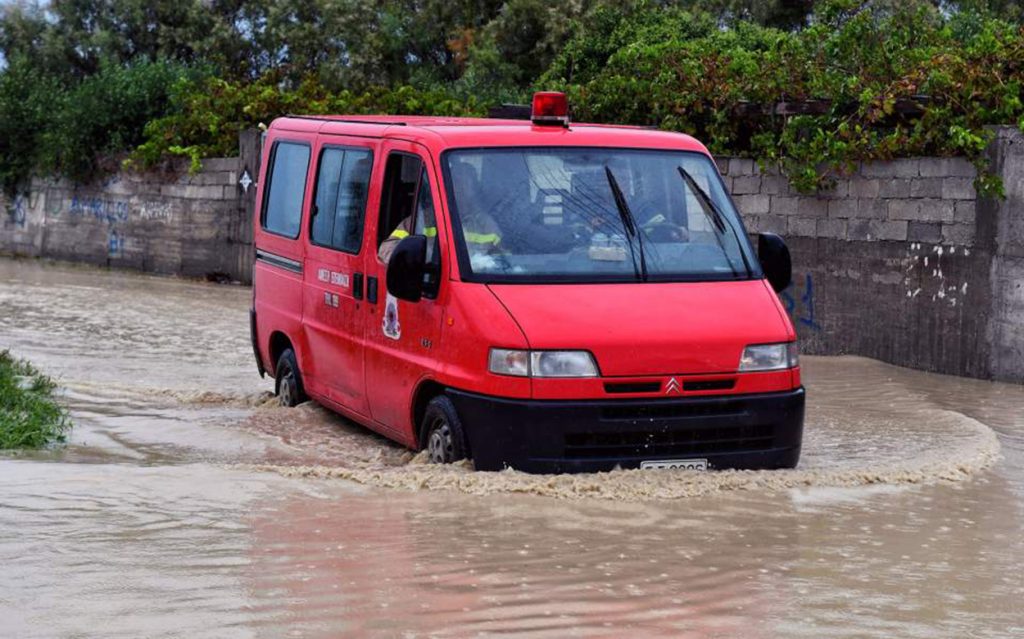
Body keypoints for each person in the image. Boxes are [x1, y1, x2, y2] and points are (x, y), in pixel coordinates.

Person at [378, 162, 502, 262]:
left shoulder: (486, 224)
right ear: (446, 188)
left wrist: (485, 263)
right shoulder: (423, 219)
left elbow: (504, 260)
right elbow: (386, 249)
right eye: (456, 185)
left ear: (474, 191)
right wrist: (417, 257)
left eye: (465, 186)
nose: (460, 191)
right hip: (429, 282)